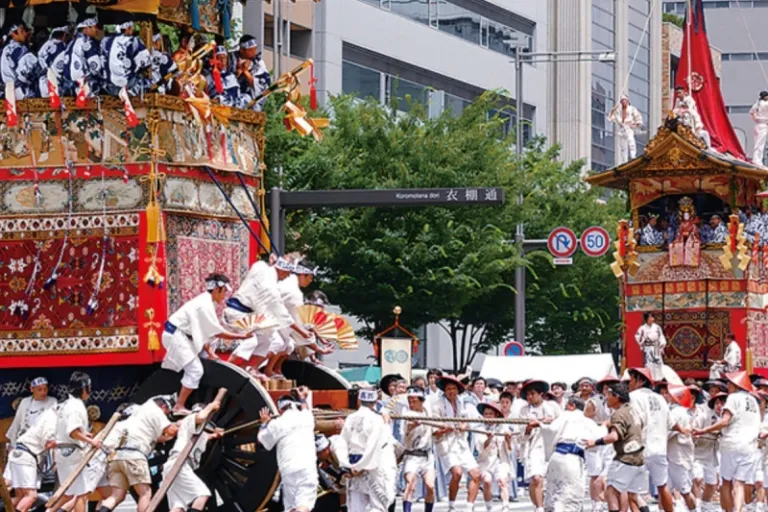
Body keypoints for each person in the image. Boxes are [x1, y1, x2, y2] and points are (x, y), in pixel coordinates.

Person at [161, 273, 247, 414]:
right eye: (224, 291)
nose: (224, 295)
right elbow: (216, 331)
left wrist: (211, 353)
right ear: (217, 289)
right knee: (195, 370)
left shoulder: (205, 302)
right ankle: (179, 406)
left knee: (204, 359)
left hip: (184, 337)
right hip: (176, 336)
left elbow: (204, 332)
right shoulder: (204, 305)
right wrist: (242, 336)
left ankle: (183, 397)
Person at [225, 258, 311, 380]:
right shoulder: (270, 288)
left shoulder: (261, 267)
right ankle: (228, 366)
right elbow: (282, 314)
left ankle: (250, 367)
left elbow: (259, 263)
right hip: (237, 314)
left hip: (250, 316)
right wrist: (302, 332)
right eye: (287, 273)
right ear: (281, 270)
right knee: (252, 340)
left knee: (269, 337)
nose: (287, 276)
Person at [694, 371, 761, 512]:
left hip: (732, 444)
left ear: (736, 385)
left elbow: (725, 422)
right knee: (740, 483)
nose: (727, 386)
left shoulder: (733, 398)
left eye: (729, 383)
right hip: (750, 446)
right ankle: (737, 510)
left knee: (726, 482)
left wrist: (703, 430)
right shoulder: (754, 401)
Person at [98, 397, 179, 512]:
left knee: (116, 496)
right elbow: (171, 430)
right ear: (164, 407)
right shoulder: (156, 410)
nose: (166, 416)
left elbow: (158, 437)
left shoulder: (136, 413)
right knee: (145, 493)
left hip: (117, 456)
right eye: (167, 413)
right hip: (135, 456)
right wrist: (186, 423)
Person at [584, 382, 648, 512]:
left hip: (625, 459)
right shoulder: (633, 410)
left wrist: (594, 442)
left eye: (608, 394)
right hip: (639, 458)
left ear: (616, 396)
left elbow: (614, 437)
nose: (606, 397)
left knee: (611, 491)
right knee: (634, 495)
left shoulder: (618, 414)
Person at [531, 397, 601, 512]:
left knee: (554, 493)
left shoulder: (565, 416)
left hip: (557, 457)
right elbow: (598, 441)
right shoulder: (589, 422)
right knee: (570, 496)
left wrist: (540, 425)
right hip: (573, 459)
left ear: (571, 405)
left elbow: (551, 430)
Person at [628, 367, 681, 512]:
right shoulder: (660, 399)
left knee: (631, 491)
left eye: (632, 379)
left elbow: (633, 422)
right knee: (662, 486)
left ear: (640, 380)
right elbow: (671, 423)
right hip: (659, 449)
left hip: (640, 449)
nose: (630, 383)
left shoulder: (632, 397)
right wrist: (683, 429)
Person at [258, 388, 318, 512]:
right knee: (304, 504)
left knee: (291, 506)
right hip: (306, 467)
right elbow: (306, 408)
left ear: (280, 410)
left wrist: (264, 423)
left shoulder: (276, 423)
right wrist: (301, 397)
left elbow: (261, 439)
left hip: (288, 469)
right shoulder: (306, 417)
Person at [51, 371, 102, 512]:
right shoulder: (76, 406)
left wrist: (85, 434)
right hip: (72, 453)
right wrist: (91, 442)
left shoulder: (67, 404)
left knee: (68, 494)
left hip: (63, 452)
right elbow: (73, 432)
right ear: (85, 388)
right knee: (81, 493)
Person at [340, 388, 398, 512]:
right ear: (375, 402)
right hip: (371, 466)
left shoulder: (350, 418)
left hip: (353, 464)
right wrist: (360, 466)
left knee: (356, 508)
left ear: (359, 401)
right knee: (378, 506)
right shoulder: (377, 419)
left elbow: (342, 443)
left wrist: (347, 465)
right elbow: (374, 445)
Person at [430, 375, 481, 512]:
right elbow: (433, 429)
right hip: (446, 443)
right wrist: (445, 428)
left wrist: (464, 424)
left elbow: (467, 419)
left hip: (461, 443)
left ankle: (469, 507)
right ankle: (451, 506)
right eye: (448, 389)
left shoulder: (462, 402)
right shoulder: (437, 405)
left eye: (454, 388)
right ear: (444, 390)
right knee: (457, 473)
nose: (451, 391)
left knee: (476, 474)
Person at [164, 401, 223, 512]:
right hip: (180, 464)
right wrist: (211, 406)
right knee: (202, 494)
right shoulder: (190, 419)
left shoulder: (198, 432)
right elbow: (200, 417)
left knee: (178, 506)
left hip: (176, 465)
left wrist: (215, 435)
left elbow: (205, 437)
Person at [519, 380, 561, 512]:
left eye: (532, 393)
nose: (529, 397)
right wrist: (529, 427)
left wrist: (546, 423)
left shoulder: (552, 407)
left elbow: (561, 424)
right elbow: (521, 433)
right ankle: (539, 507)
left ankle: (546, 505)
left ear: (541, 394)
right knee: (536, 478)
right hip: (533, 447)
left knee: (552, 481)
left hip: (551, 446)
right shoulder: (524, 410)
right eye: (527, 394)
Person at [5, 406, 57, 512]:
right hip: (25, 455)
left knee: (21, 496)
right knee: (31, 496)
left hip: (21, 454)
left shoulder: (47, 415)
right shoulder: (52, 418)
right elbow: (49, 443)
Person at [401, 386, 436, 512]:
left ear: (421, 400)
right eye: (409, 400)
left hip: (427, 455)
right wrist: (412, 426)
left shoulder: (428, 411)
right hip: (412, 455)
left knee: (430, 486)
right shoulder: (407, 414)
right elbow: (405, 430)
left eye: (414, 400)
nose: (411, 403)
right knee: (410, 485)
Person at [53, 15, 103, 97]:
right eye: (95, 27)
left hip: (69, 88)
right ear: (86, 28)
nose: (97, 30)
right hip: (85, 89)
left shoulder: (71, 43)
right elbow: (95, 67)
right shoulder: (88, 42)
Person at [475, 402, 513, 512]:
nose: (488, 416)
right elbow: (480, 448)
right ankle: (489, 507)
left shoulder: (503, 426)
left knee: (502, 480)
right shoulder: (480, 428)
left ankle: (505, 507)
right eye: (486, 414)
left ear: (496, 415)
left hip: (501, 460)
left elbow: (510, 449)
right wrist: (489, 438)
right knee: (487, 481)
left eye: (490, 413)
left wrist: (508, 439)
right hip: (485, 461)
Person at [666, 384, 697, 512]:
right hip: (675, 454)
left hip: (678, 455)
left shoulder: (676, 412)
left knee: (684, 490)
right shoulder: (683, 411)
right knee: (665, 488)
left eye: (669, 394)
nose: (667, 396)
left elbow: (667, 431)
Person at [101, 17, 151, 96]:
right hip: (127, 85)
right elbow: (146, 62)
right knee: (144, 75)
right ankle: (132, 93)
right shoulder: (133, 41)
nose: (132, 31)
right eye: (131, 28)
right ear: (127, 28)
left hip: (108, 87)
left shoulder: (105, 41)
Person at [6, 377, 58, 446]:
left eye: (45, 389)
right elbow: (17, 422)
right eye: (39, 390)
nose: (43, 392)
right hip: (24, 438)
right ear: (32, 389)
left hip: (42, 441)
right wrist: (13, 444)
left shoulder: (52, 402)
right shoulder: (25, 402)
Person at [696, 392, 725, 512]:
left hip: (714, 453)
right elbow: (695, 428)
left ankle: (705, 505)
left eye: (722, 403)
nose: (719, 406)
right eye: (717, 403)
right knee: (697, 479)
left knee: (712, 483)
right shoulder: (704, 415)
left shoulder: (727, 418)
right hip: (698, 452)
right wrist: (698, 434)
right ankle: (697, 504)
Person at [1, 22, 46, 100]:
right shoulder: (18, 48)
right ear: (13, 34)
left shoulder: (4, 49)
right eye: (22, 31)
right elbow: (32, 69)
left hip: (7, 95)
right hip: (23, 95)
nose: (25, 33)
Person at [234, 34, 270, 111]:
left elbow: (262, 85)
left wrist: (245, 72)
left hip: (249, 99)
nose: (254, 52)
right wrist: (237, 73)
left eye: (255, 49)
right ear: (241, 50)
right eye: (250, 50)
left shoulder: (259, 63)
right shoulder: (231, 58)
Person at [608, 94, 643, 164]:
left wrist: (634, 125)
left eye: (625, 101)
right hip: (622, 130)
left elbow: (638, 118)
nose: (624, 102)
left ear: (627, 101)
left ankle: (633, 156)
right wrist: (612, 110)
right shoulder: (618, 111)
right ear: (621, 102)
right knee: (623, 147)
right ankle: (624, 161)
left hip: (628, 128)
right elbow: (611, 118)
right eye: (622, 101)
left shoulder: (632, 109)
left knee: (631, 142)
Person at [635, 313, 667, 381]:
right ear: (647, 319)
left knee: (658, 363)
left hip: (656, 347)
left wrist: (662, 346)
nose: (652, 319)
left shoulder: (657, 327)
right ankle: (650, 379)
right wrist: (644, 340)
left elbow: (661, 336)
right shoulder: (642, 328)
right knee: (649, 364)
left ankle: (659, 378)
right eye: (650, 318)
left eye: (652, 317)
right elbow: (637, 336)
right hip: (648, 347)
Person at [750, 90, 768, 166]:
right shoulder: (765, 104)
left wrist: (756, 119)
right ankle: (757, 161)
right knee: (760, 144)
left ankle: (756, 159)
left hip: (757, 125)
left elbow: (751, 112)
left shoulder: (757, 103)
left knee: (757, 143)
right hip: (763, 125)